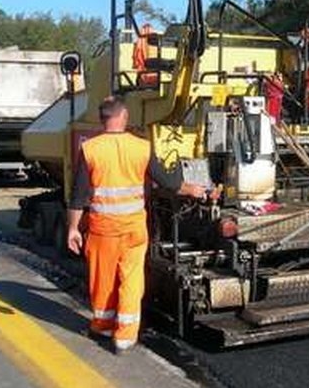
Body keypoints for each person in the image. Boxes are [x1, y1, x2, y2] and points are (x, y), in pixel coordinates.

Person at [67, 96, 214, 354]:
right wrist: (193, 189)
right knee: (132, 280)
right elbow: (168, 181)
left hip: (103, 230)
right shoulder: (142, 147)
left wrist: (72, 229)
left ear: (102, 120)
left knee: (103, 280)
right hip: (134, 229)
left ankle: (102, 325)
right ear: (124, 117)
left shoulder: (90, 149)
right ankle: (125, 337)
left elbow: (78, 196)